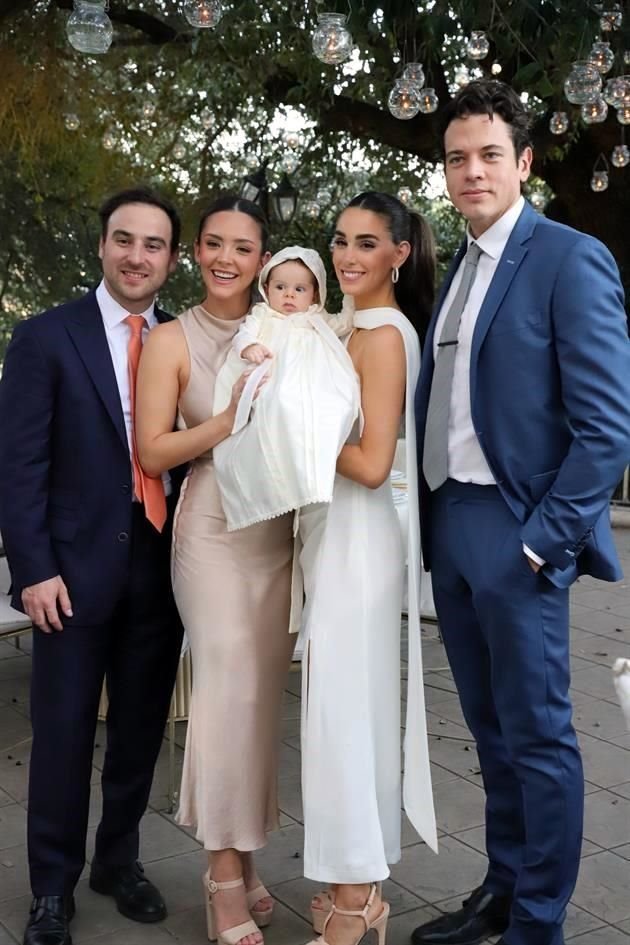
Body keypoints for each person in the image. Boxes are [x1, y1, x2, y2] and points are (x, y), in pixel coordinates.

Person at [413, 80, 630, 945]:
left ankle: (539, 923)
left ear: (524, 162)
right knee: (489, 729)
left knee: (539, 737)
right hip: (451, 525)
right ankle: (502, 890)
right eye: (458, 157)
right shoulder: (459, 263)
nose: (472, 171)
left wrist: (542, 544)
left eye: (490, 154)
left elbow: (606, 427)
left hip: (518, 530)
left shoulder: (568, 257)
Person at [0, 186, 186, 945]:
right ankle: (51, 886)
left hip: (162, 567)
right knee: (64, 732)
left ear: (172, 259)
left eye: (152, 244)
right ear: (102, 245)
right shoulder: (45, 337)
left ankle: (118, 858)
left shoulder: (185, 338)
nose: (136, 255)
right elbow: (18, 464)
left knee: (141, 729)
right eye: (124, 239)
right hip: (69, 576)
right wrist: (34, 567)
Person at [134, 195, 294, 945]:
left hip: (276, 534)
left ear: (265, 259)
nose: (228, 259)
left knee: (260, 701)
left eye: (244, 247)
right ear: (196, 252)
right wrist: (226, 422)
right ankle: (221, 875)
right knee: (227, 693)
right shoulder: (171, 339)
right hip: (211, 527)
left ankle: (247, 855)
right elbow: (153, 452)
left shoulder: (290, 331)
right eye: (214, 245)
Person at [300, 192, 438, 945]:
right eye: (339, 239)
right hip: (341, 537)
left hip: (360, 538)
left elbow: (374, 461)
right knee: (339, 710)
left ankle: (356, 901)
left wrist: (292, 428)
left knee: (347, 714)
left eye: (365, 242)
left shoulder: (383, 335)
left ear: (398, 253)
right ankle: (353, 882)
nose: (347, 255)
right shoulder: (351, 326)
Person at [212, 245, 358, 533]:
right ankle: (276, 479)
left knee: (330, 410)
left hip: (312, 389)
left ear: (314, 294)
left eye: (300, 289)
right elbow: (244, 334)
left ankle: (308, 476)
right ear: (266, 288)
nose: (289, 295)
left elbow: (344, 322)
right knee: (277, 406)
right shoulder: (264, 315)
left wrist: (352, 294)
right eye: (280, 287)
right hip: (275, 382)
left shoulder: (317, 318)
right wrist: (250, 347)